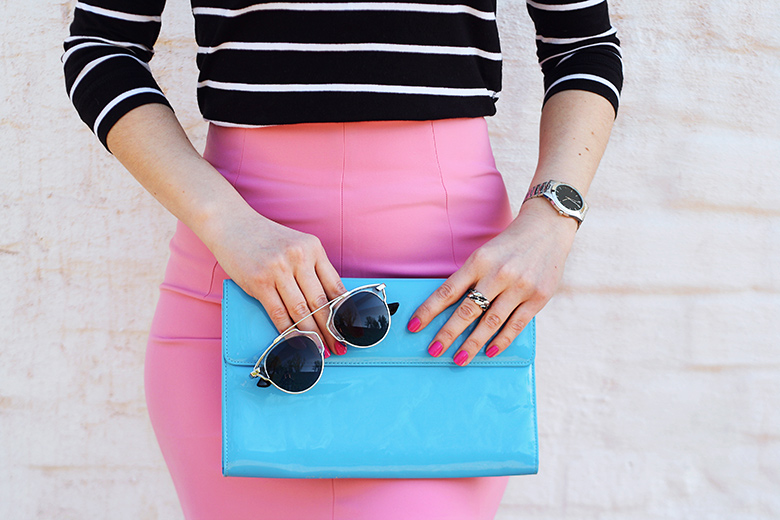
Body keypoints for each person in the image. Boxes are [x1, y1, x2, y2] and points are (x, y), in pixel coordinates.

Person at [64, 0, 623, 518]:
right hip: (240, 277)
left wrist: (553, 220)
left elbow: (582, 44)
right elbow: (101, 48)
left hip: (444, 301)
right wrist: (227, 224)